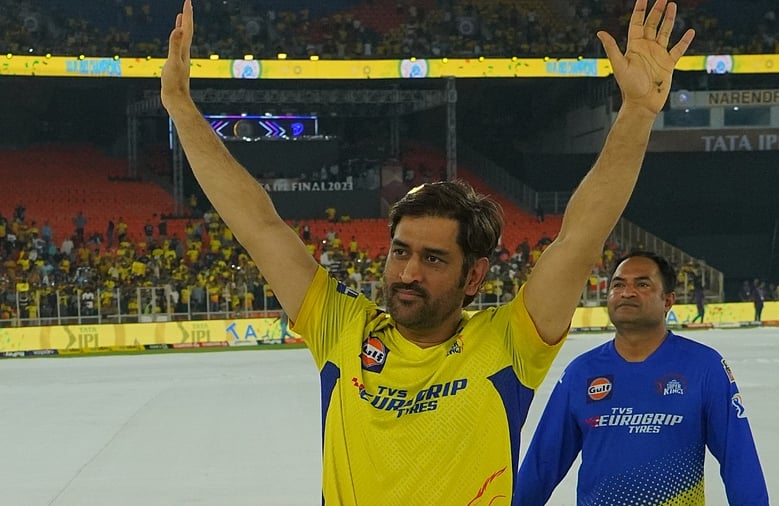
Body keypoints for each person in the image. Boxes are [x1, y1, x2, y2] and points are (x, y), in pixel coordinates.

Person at [161, 0, 693, 502]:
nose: (408, 272)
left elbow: (581, 236)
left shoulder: (510, 342)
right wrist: (182, 109)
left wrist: (637, 114)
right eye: (400, 252)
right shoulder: (344, 330)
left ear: (474, 276)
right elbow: (258, 223)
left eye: (434, 259)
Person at [514, 251, 768, 505]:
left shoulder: (704, 367)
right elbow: (542, 464)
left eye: (642, 284)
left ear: (668, 301)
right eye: (618, 285)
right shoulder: (580, 373)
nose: (627, 292)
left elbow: (739, 459)